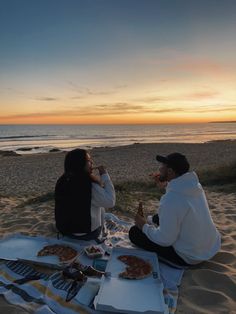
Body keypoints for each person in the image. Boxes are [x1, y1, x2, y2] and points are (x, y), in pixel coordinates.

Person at [129, 152, 221, 267]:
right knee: (159, 217)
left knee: (134, 232)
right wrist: (166, 185)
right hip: (210, 246)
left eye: (162, 166)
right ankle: (150, 221)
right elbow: (179, 199)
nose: (159, 168)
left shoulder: (171, 199)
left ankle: (145, 225)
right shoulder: (194, 186)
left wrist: (143, 226)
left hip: (188, 256)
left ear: (170, 171)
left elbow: (165, 240)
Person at [55, 148, 115, 241]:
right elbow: (111, 202)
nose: (92, 163)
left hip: (66, 231)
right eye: (88, 161)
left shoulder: (61, 181)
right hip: (87, 234)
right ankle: (102, 232)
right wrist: (104, 175)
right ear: (80, 164)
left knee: (97, 203)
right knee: (101, 207)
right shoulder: (88, 185)